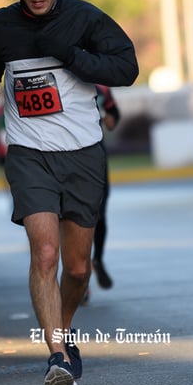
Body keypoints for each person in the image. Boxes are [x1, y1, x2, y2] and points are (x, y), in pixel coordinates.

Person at [0, 0, 138, 385]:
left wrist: (74, 57)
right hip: (28, 154)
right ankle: (57, 356)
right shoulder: (3, 26)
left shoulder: (84, 18)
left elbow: (127, 67)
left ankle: (64, 330)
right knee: (45, 254)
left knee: (78, 270)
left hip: (82, 155)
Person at [82, 85, 121, 305]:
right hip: (64, 157)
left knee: (99, 213)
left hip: (96, 155)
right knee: (71, 218)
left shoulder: (101, 87)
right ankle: (82, 275)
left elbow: (114, 113)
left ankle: (97, 259)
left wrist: (108, 119)